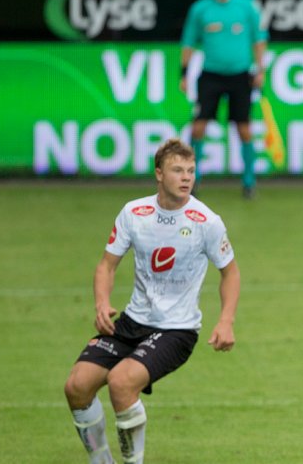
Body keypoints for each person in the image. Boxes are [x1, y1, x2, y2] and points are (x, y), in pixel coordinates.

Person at [62, 138, 239, 464]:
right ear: (159, 173)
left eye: (191, 170)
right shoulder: (134, 213)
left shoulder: (207, 222)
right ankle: (101, 461)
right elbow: (106, 265)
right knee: (76, 386)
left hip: (177, 330)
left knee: (121, 382)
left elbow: (231, 273)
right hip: (132, 321)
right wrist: (101, 303)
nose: (187, 178)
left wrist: (226, 320)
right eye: (177, 170)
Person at [180, 0, 269, 199]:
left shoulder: (247, 6)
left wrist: (260, 69)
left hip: (240, 75)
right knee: (198, 127)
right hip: (211, 75)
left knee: (244, 129)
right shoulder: (200, 9)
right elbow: (188, 42)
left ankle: (249, 182)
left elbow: (259, 39)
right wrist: (184, 74)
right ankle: (191, 181)